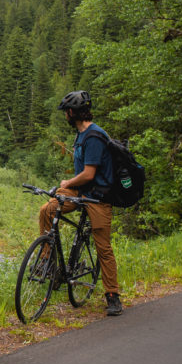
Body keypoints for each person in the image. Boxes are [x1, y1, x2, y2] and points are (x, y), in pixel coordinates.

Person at [40, 90, 122, 316]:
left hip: (98, 198)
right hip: (80, 192)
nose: (65, 116)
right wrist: (65, 188)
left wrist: (68, 181)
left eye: (66, 112)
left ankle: (113, 296)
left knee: (103, 247)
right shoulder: (81, 134)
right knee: (47, 209)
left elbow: (88, 174)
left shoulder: (94, 137)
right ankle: (47, 261)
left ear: (71, 113)